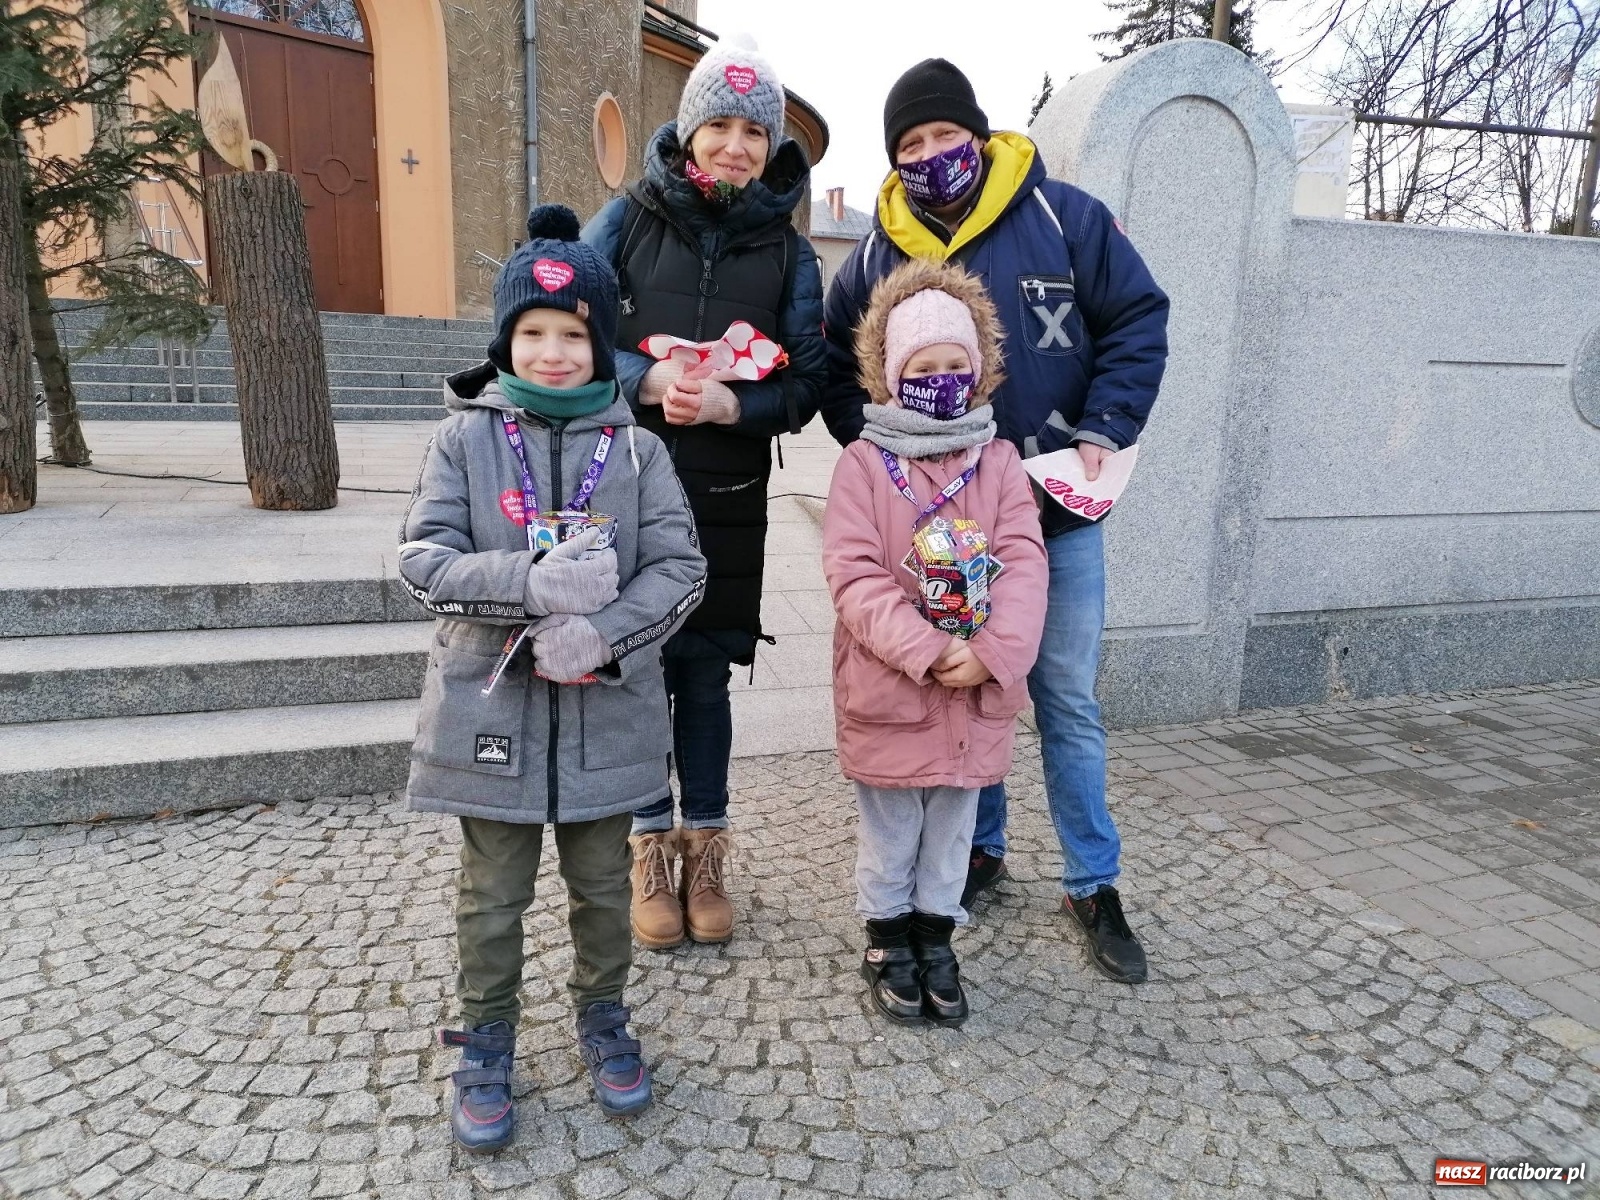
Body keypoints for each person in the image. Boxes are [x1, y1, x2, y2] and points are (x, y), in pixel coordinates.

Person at [820, 59, 1170, 985]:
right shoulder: (874, 252)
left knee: (1062, 699)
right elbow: (833, 360)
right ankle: (977, 851)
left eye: (945, 135)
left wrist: (1106, 425)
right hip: (932, 534)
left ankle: (1094, 882)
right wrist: (883, 465)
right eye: (911, 145)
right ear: (894, 161)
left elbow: (1138, 315)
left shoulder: (1065, 216)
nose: (932, 155)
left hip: (1051, 509)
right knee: (951, 689)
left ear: (978, 134)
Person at [399, 204, 707, 1149]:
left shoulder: (641, 449)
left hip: (605, 713)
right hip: (489, 712)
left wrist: (606, 636)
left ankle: (603, 1017)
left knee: (604, 889)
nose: (553, 352)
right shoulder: (463, 441)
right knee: (493, 891)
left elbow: (681, 568)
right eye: (531, 333)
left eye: (573, 335)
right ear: (505, 341)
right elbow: (421, 560)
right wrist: (524, 585)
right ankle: (487, 1035)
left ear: (601, 344)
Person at [582, 34, 825, 950]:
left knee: (706, 675)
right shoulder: (629, 220)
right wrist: (641, 384)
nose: (734, 145)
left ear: (771, 144)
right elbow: (564, 338)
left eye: (751, 131)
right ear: (689, 134)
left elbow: (805, 383)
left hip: (724, 492)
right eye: (716, 125)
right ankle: (651, 851)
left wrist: (734, 399)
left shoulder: (789, 253)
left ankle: (708, 850)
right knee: (639, 672)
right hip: (628, 493)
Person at [822, 259, 1047, 1026]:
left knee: (951, 832)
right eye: (925, 366)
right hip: (892, 687)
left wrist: (991, 651)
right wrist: (925, 649)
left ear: (979, 371)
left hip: (974, 692)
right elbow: (854, 576)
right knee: (891, 832)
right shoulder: (862, 464)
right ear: (892, 374)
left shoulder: (1001, 462)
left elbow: (1024, 562)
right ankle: (888, 940)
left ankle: (936, 938)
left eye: (957, 364)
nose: (943, 378)